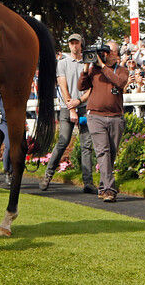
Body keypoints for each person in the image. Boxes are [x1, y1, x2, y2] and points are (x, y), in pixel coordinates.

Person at [39, 34, 96, 193]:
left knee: (86, 144)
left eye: (76, 43)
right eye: (71, 43)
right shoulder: (62, 63)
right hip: (67, 107)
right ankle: (48, 175)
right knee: (63, 141)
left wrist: (79, 101)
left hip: (83, 106)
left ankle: (88, 182)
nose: (74, 46)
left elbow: (91, 88)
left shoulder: (88, 64)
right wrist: (72, 107)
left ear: (81, 45)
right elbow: (63, 87)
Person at [79, 41, 128, 202]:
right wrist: (86, 68)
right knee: (103, 152)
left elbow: (120, 83)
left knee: (110, 154)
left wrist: (103, 66)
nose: (104, 55)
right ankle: (109, 190)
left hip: (115, 116)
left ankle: (102, 186)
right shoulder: (94, 70)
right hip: (96, 116)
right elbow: (81, 86)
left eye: (108, 52)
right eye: (102, 52)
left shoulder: (122, 70)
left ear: (116, 54)